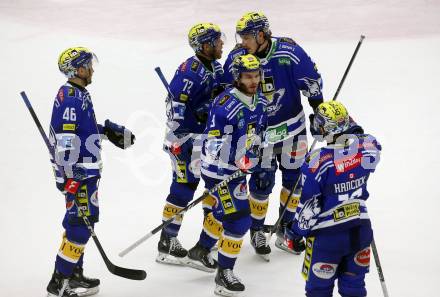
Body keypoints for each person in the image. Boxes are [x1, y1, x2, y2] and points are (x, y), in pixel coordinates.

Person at [223, 12, 324, 258]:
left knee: (294, 181)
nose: (243, 42)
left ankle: (285, 227)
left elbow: (312, 83)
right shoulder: (238, 57)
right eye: (241, 37)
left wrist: (319, 113)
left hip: (293, 129)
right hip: (260, 134)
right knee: (261, 183)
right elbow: (226, 93)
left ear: (261, 35)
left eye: (247, 37)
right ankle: (257, 230)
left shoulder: (288, 52)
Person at [46, 47, 135, 297]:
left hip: (85, 172)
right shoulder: (72, 98)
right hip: (79, 175)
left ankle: (73, 274)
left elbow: (81, 129)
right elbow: (65, 140)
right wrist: (70, 175)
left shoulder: (77, 93)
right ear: (79, 69)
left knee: (80, 224)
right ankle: (59, 283)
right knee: (80, 227)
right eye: (88, 65)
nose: (92, 69)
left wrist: (106, 131)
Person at [186, 54, 268, 296]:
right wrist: (237, 157)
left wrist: (257, 151)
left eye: (256, 76)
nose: (253, 81)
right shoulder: (224, 105)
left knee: (225, 213)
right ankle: (224, 275)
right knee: (239, 219)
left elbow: (258, 134)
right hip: (219, 171)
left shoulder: (260, 102)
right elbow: (212, 145)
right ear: (237, 77)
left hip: (239, 169)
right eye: (247, 76)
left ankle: (201, 249)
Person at [284, 101, 381, 297]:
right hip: (360, 231)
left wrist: (294, 233)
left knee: (318, 290)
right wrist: (346, 125)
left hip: (327, 238)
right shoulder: (368, 148)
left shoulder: (317, 161)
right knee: (354, 287)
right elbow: (366, 138)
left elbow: (308, 207)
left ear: (322, 128)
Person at [157, 23, 225, 265]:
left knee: (213, 187)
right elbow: (174, 106)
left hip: (205, 140)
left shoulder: (215, 66)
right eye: (217, 41)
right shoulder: (190, 71)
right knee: (184, 187)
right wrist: (183, 133)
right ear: (205, 45)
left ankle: (208, 239)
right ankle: (167, 240)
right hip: (184, 139)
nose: (222, 44)